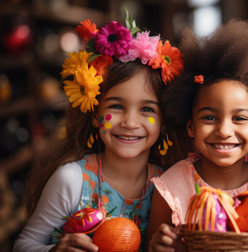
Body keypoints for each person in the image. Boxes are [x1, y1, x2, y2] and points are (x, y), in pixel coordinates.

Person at [14, 16, 183, 252]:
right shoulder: (72, 181)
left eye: (146, 109)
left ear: (163, 122)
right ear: (95, 114)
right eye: (116, 106)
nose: (130, 122)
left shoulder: (167, 188)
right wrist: (55, 250)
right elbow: (22, 245)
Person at [146, 19, 248, 251]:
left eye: (239, 118)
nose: (224, 131)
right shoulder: (171, 189)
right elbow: (154, 244)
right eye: (209, 118)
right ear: (190, 125)